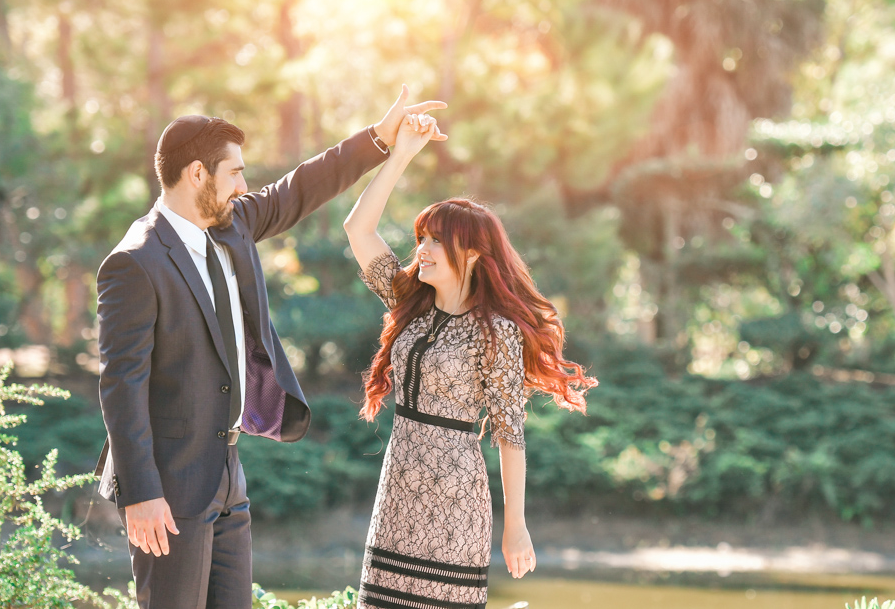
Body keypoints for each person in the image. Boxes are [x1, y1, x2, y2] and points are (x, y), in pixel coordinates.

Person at [95, 87, 445, 609]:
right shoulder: (135, 262)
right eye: (233, 173)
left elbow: (300, 187)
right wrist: (142, 492)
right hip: (167, 486)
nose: (243, 185)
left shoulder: (233, 224)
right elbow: (122, 385)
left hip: (228, 475)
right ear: (197, 175)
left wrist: (379, 137)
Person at [343, 113, 597, 609]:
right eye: (423, 237)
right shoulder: (407, 300)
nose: (424, 249)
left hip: (457, 500)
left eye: (437, 240)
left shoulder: (497, 330)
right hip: (396, 493)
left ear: (475, 254)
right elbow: (358, 227)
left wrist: (516, 527)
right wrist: (401, 157)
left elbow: (509, 431)